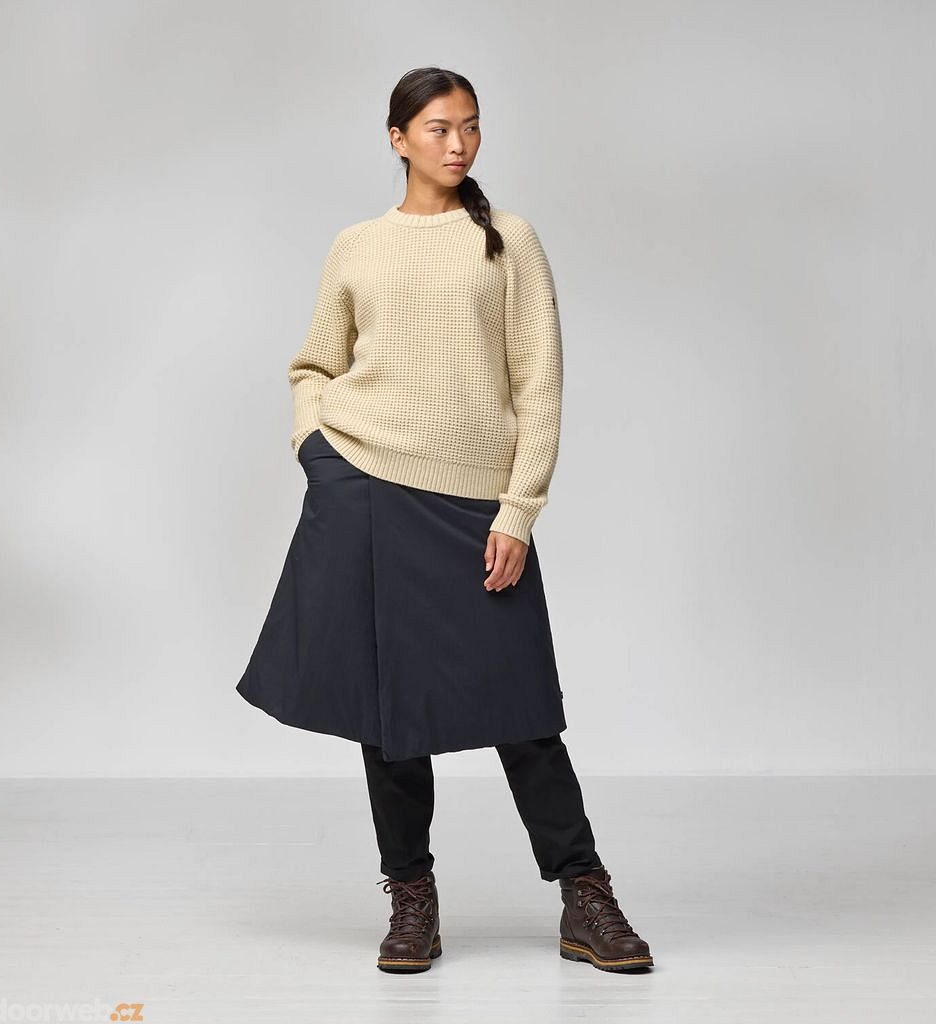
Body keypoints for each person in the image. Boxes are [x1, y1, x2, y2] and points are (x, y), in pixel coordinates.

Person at [236, 66, 654, 975]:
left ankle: (585, 895)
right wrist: (317, 448)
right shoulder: (356, 245)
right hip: (366, 489)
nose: (458, 143)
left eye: (470, 125)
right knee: (388, 715)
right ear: (398, 139)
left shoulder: (508, 240)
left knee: (523, 710)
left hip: (474, 505)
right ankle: (411, 898)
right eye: (437, 128)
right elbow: (314, 365)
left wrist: (520, 510)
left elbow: (540, 383)